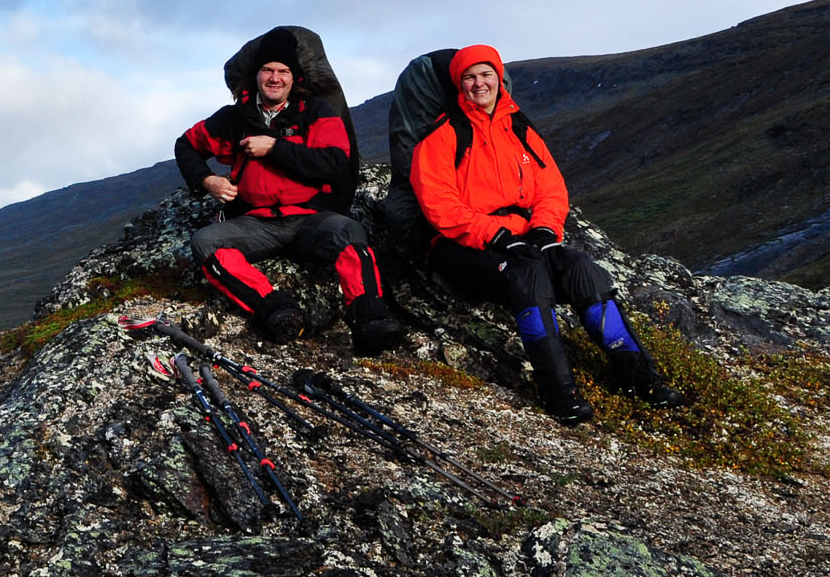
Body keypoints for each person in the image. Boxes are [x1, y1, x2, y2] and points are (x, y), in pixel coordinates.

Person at [409, 43, 685, 424]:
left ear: (499, 77)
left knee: (579, 267)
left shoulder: (519, 127)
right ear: (459, 84)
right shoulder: (442, 135)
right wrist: (495, 235)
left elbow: (551, 188)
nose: (479, 84)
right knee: (529, 275)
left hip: (523, 235)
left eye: (486, 74)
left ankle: (639, 376)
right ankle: (558, 391)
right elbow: (439, 205)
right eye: (470, 77)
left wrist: (544, 229)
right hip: (460, 246)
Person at [176, 28, 406, 356]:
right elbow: (186, 144)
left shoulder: (316, 112)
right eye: (268, 70)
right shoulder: (234, 119)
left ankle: (370, 319)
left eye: (283, 72)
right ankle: (275, 308)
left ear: (294, 78)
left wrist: (274, 148)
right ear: (256, 75)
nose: (275, 78)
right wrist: (206, 181)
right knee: (206, 242)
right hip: (255, 222)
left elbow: (333, 163)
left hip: (310, 218)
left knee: (349, 233)